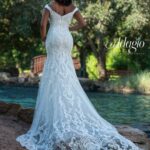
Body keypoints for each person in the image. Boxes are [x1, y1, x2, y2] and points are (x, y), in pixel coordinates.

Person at [16, 0, 141, 149]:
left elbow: (43, 25)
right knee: (67, 73)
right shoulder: (72, 7)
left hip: (54, 36)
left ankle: (55, 117)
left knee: (53, 73)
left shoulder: (50, 5)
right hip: (66, 37)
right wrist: (70, 28)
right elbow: (83, 23)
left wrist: (44, 38)